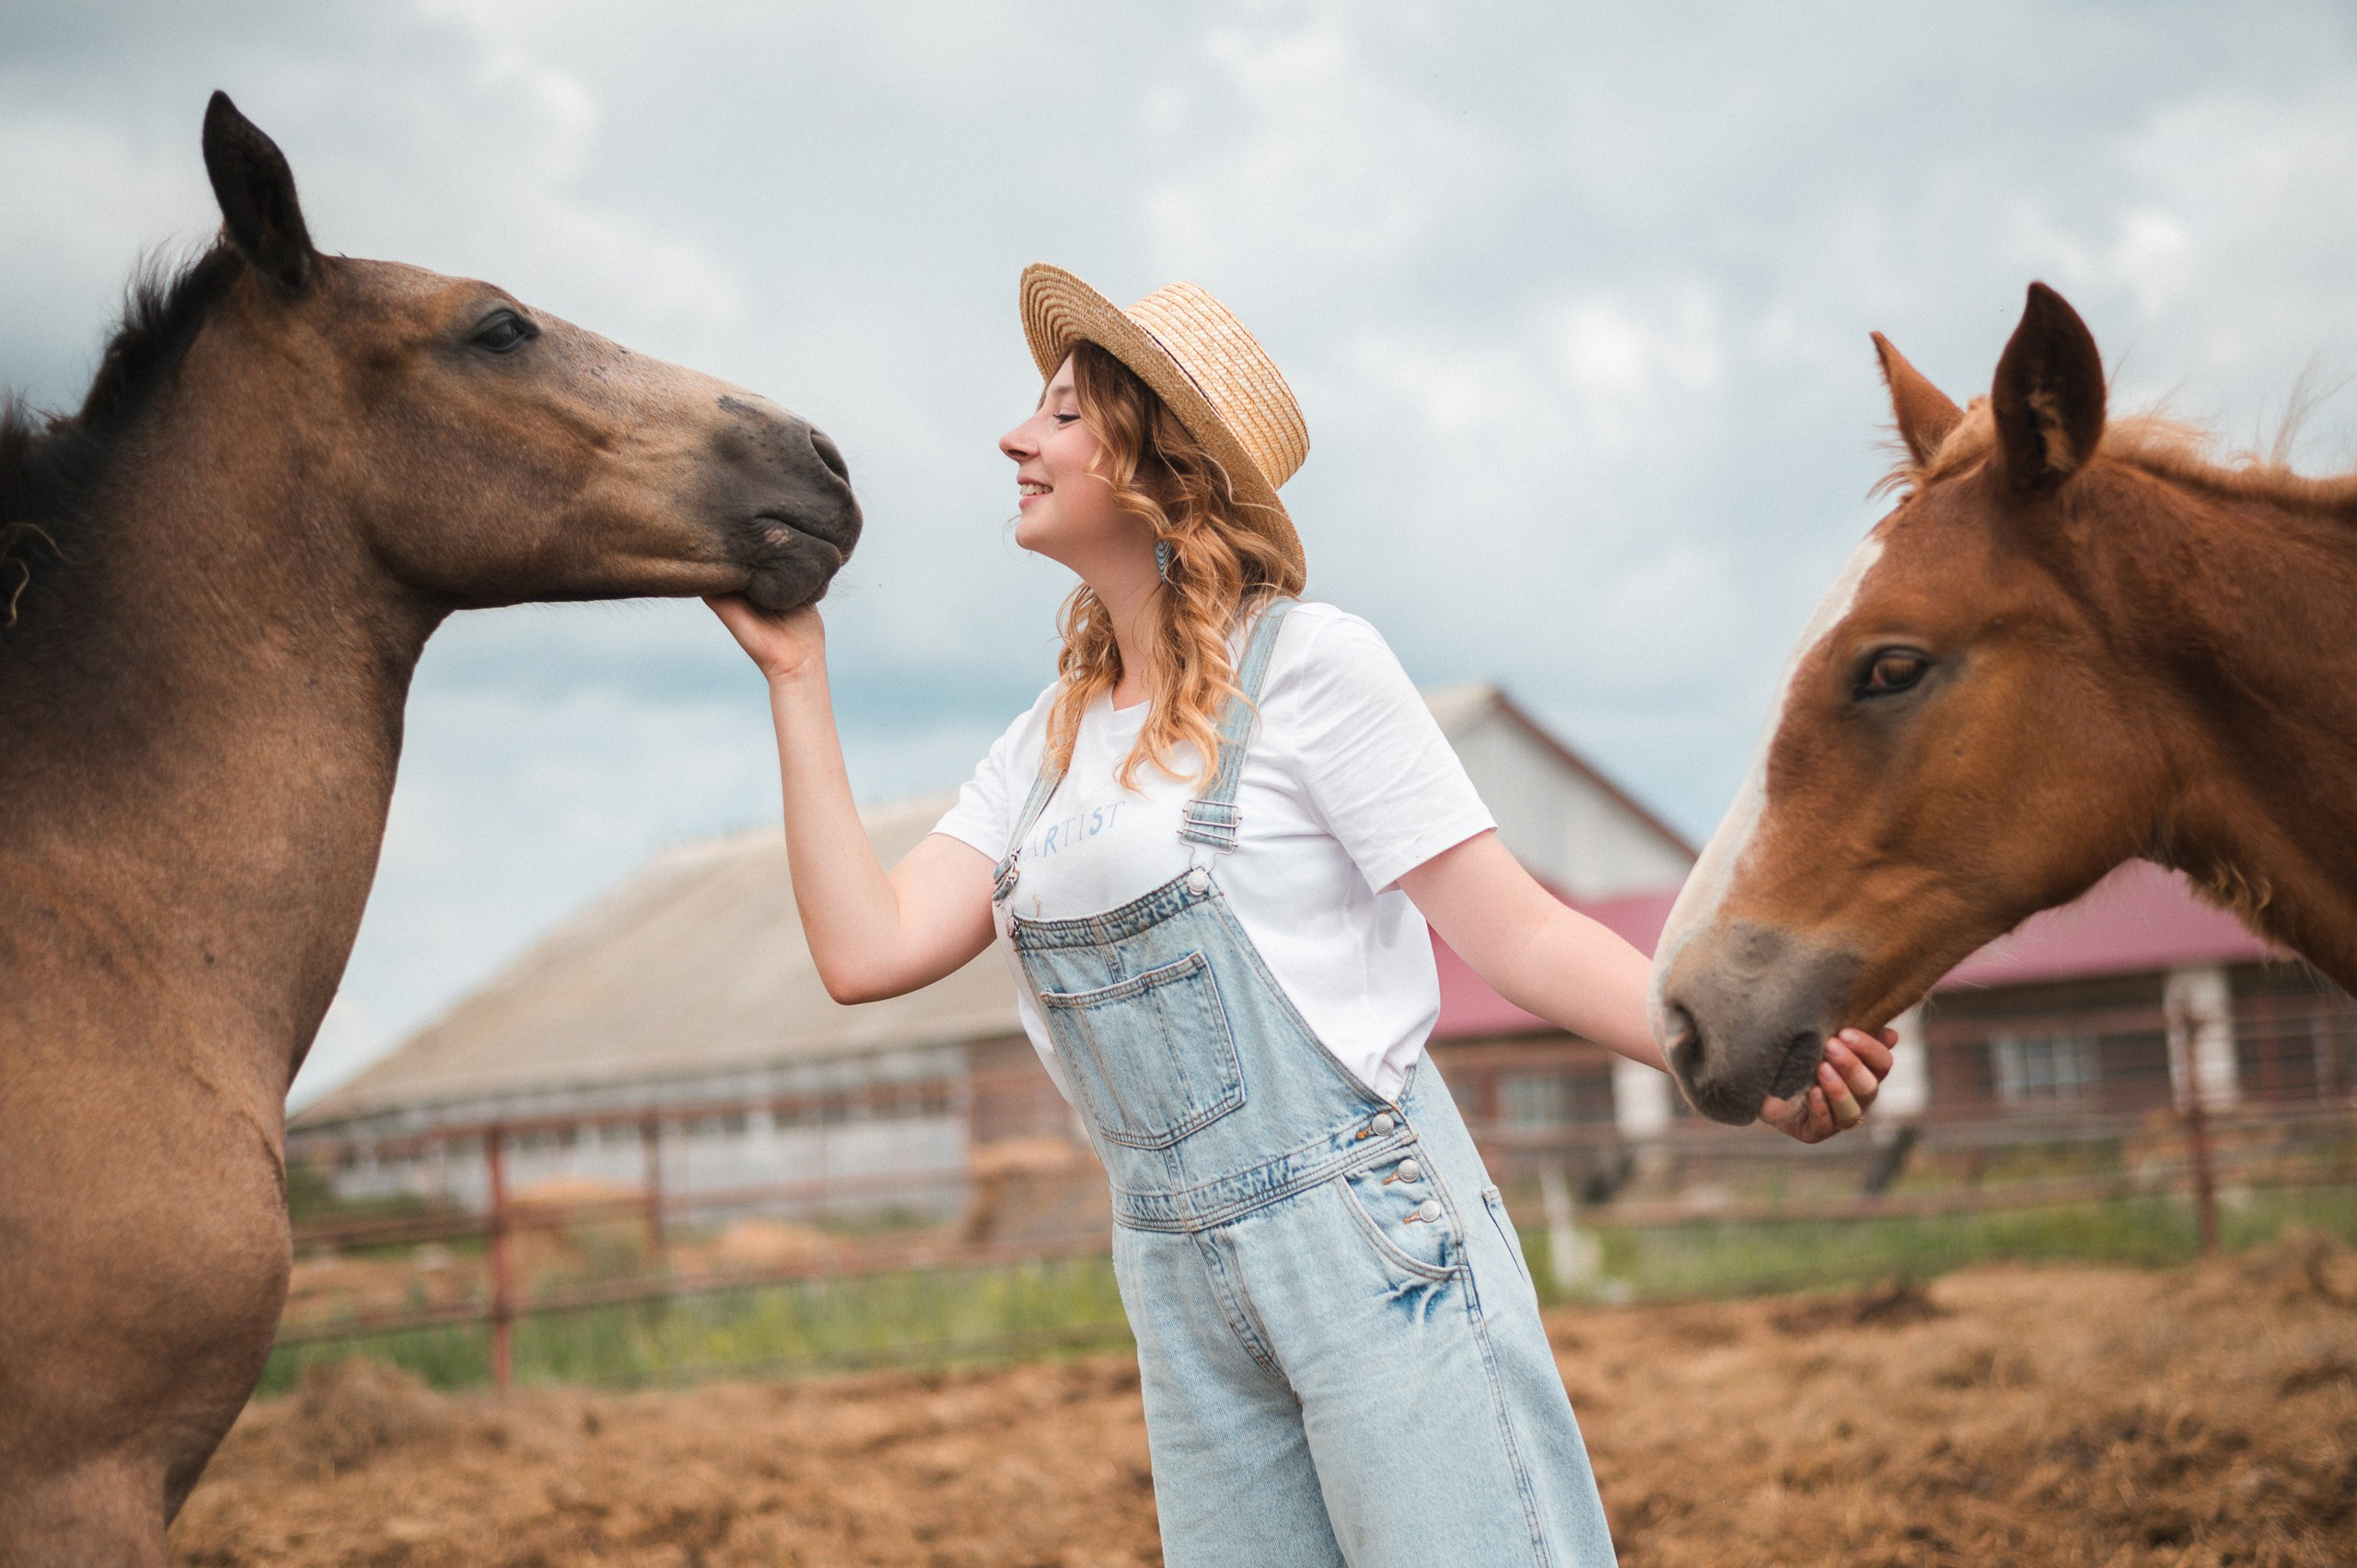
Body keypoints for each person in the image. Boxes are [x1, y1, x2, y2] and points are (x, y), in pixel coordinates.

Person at [709, 265, 1894, 1568]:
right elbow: (863, 951)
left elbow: (1521, 934)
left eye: (1059, 415)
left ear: (1159, 456)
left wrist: (1724, 1062)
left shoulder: (1316, 670)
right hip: (1171, 1274)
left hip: (1370, 1246)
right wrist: (795, 674)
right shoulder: (1040, 751)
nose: (1014, 440)